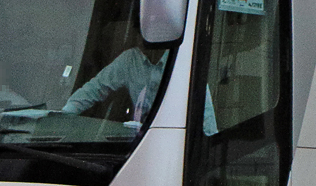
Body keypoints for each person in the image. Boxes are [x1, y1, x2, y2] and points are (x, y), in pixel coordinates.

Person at [62, 43, 219, 135]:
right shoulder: (130, 59)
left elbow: (204, 107)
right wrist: (65, 114)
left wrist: (208, 144)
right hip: (141, 138)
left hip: (175, 137)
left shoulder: (182, 61)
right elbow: (96, 87)